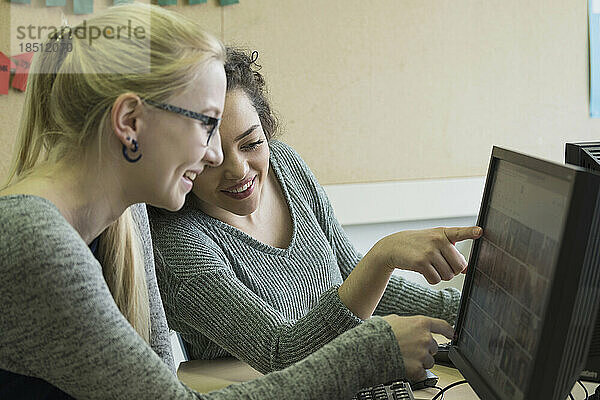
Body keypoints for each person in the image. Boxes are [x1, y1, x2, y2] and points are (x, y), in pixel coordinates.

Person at [0, 4, 455, 399]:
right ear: (130, 122)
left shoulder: (127, 218)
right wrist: (371, 352)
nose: (217, 155)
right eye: (206, 123)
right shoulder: (37, 241)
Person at [148, 48, 482, 375]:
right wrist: (383, 255)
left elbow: (358, 282)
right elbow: (281, 353)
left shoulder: (286, 166)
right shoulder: (176, 243)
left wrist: (470, 313)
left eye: (252, 144)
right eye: (213, 156)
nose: (239, 170)